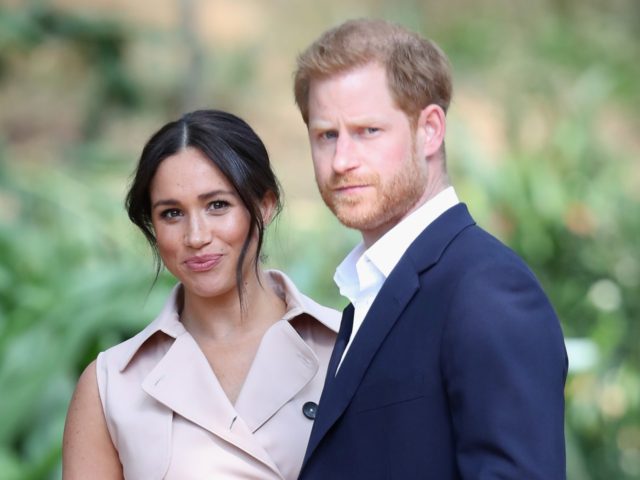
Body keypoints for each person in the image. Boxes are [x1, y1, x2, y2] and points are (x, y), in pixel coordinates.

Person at [293, 19, 568, 479]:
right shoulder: (370, 290)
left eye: (368, 131)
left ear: (431, 130)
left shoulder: (487, 290)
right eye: (327, 135)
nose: (342, 161)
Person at [62, 109, 339, 479]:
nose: (196, 237)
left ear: (265, 205)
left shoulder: (346, 347)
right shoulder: (111, 385)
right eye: (172, 213)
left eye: (217, 206)